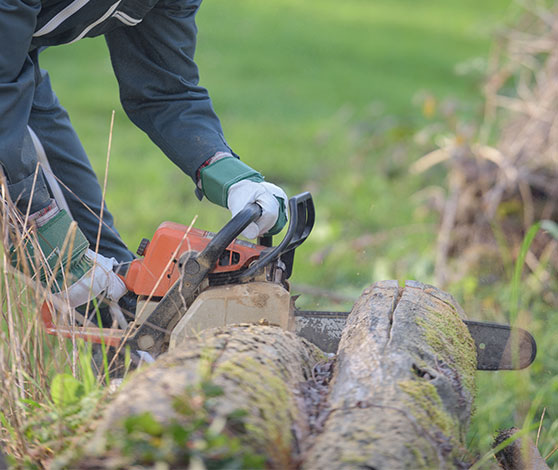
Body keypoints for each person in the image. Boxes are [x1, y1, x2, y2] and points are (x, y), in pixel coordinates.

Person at [0, 0, 287, 311]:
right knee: (51, 243)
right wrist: (37, 221)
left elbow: (164, 89)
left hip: (10, 67)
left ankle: (135, 348)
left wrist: (230, 176)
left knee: (99, 270)